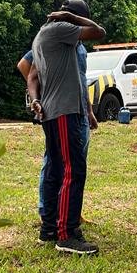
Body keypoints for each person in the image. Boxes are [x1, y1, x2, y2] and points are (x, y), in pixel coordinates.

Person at [27, 0, 106, 255]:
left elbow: (34, 75)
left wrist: (36, 100)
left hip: (55, 111)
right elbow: (99, 32)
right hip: (63, 111)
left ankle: (49, 228)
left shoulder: (44, 35)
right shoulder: (59, 29)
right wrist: (71, 18)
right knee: (74, 171)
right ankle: (66, 234)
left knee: (56, 168)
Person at [17, 41, 98, 218]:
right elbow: (24, 65)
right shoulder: (56, 42)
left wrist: (89, 110)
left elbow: (81, 80)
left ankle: (71, 210)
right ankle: (47, 211)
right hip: (61, 112)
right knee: (53, 162)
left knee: (77, 163)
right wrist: (42, 94)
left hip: (80, 111)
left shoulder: (80, 47)